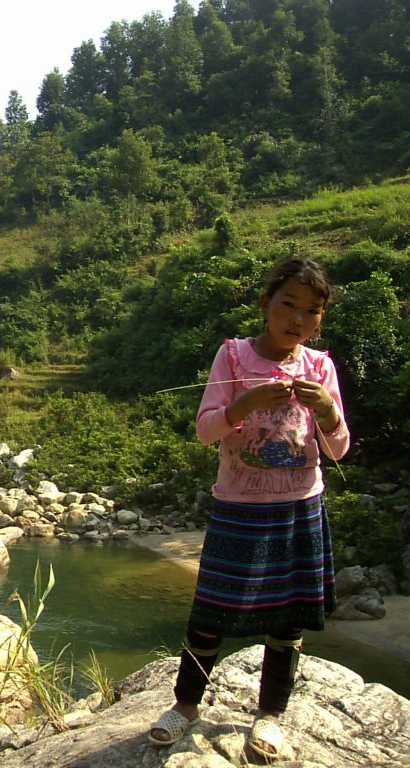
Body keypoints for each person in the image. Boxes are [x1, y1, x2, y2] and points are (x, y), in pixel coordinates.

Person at [148, 257, 350, 759]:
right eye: (288, 305)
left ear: (321, 318)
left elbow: (339, 448)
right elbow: (205, 429)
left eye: (312, 310)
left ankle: (271, 715)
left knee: (290, 619)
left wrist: (324, 407)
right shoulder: (234, 358)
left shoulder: (320, 367)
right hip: (240, 507)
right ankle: (186, 705)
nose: (298, 320)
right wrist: (247, 403)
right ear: (266, 305)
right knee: (211, 612)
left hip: (300, 508)